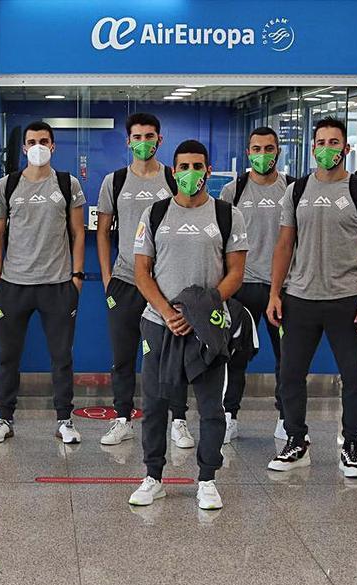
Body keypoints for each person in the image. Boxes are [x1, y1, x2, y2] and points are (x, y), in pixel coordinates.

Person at [127, 139, 247, 510]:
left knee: (210, 407)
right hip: (159, 324)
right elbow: (142, 272)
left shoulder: (228, 215)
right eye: (184, 167)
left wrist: (198, 312)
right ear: (173, 171)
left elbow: (236, 274)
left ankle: (207, 479)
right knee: (155, 403)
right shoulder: (156, 214)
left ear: (208, 172)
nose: (190, 173)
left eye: (198, 166)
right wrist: (167, 312)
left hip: (207, 327)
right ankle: (153, 476)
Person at [266, 117, 357, 478]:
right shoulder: (296, 190)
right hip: (299, 299)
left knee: (352, 378)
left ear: (346, 148)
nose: (328, 148)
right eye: (321, 142)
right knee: (290, 375)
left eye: (335, 142)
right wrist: (275, 292)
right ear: (312, 146)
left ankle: (350, 445)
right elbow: (284, 244)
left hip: (348, 300)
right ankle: (296, 441)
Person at [0, 121, 86, 444]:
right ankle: (4, 417)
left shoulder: (67, 184)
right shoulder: (8, 184)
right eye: (32, 141)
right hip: (13, 285)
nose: (38, 146)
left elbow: (78, 233)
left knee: (61, 357)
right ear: (24, 147)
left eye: (44, 140)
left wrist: (77, 277)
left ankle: (64, 419)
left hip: (58, 284)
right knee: (8, 356)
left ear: (53, 146)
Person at [95, 112, 188, 447]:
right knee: (123, 355)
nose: (144, 142)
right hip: (123, 281)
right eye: (138, 137)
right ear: (128, 141)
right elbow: (103, 231)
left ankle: (178, 419)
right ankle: (122, 418)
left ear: (160, 140)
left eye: (150, 136)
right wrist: (107, 277)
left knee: (170, 354)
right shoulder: (115, 181)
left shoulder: (172, 178)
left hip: (165, 285)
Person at [218, 126, 290, 443]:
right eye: (257, 149)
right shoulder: (232, 193)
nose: (263, 155)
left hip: (282, 290)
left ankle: (287, 417)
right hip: (242, 287)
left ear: (278, 152)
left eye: (269, 148)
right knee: (235, 356)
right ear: (249, 152)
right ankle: (229, 415)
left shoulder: (292, 190)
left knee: (288, 359)